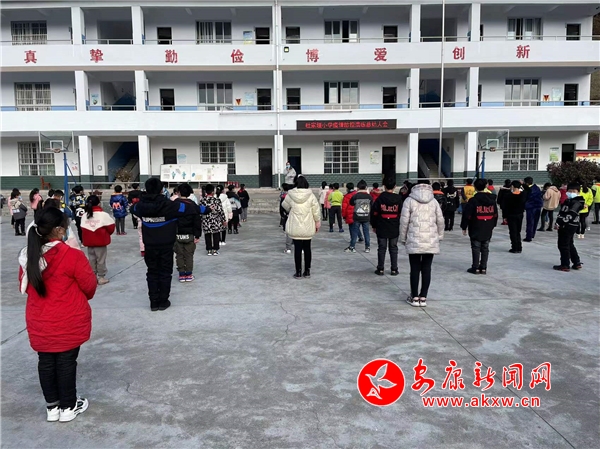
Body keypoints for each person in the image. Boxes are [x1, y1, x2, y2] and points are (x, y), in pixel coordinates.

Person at [19, 207, 97, 423]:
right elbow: (89, 287)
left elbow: (24, 286)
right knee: (66, 362)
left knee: (45, 361)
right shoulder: (72, 255)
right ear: (60, 230)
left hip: (39, 319)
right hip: (68, 319)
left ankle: (52, 407)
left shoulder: (28, 256)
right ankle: (68, 406)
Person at [133, 178, 206, 311]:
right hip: (166, 245)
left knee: (152, 272)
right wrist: (205, 209)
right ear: (162, 190)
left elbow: (133, 208)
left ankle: (153, 302)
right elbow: (191, 209)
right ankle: (163, 301)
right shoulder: (171, 206)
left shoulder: (140, 207)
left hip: (149, 245)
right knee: (165, 272)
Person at [400, 181, 444, 308]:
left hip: (414, 239)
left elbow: (404, 221)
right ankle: (423, 297)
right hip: (430, 239)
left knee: (414, 269)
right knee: (426, 268)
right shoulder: (433, 201)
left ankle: (414, 297)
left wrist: (403, 238)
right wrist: (440, 236)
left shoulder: (409, 201)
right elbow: (440, 220)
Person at [282, 176, 321, 279]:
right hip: (308, 226)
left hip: (295, 226)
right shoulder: (311, 195)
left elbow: (285, 205)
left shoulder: (290, 195)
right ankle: (307, 271)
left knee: (297, 249)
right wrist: (317, 222)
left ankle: (298, 272)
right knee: (307, 248)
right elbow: (316, 211)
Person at [461, 179, 498, 275]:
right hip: (488, 225)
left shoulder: (473, 200)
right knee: (485, 247)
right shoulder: (492, 200)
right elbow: (495, 214)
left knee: (476, 247)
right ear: (486, 186)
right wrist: (493, 225)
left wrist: (464, 226)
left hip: (475, 225)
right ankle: (483, 267)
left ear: (475, 187)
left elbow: (467, 214)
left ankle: (475, 267)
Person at [80, 195, 115, 286]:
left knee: (91, 259)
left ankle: (93, 276)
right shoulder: (103, 215)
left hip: (89, 242)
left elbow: (82, 228)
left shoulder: (85, 215)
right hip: (100, 241)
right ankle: (101, 277)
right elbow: (111, 228)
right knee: (101, 259)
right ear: (99, 203)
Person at [371, 177, 402, 276]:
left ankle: (380, 269)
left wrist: (374, 225)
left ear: (384, 186)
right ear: (395, 186)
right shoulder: (398, 198)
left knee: (382, 248)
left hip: (381, 225)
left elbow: (374, 213)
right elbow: (401, 213)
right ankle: (394, 269)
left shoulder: (380, 198)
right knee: (393, 248)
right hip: (394, 226)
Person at [173, 183, 201, 283]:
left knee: (179, 255)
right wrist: (197, 235)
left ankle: (181, 274)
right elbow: (197, 221)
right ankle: (188, 274)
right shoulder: (193, 205)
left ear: (178, 192)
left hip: (177, 234)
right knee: (189, 255)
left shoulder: (174, 204)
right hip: (190, 234)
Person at [553, 183, 584, 272]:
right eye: (570, 191)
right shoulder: (569, 200)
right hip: (567, 225)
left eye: (574, 191)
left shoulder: (576, 202)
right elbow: (562, 212)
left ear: (578, 192)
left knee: (563, 245)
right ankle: (576, 262)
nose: (571, 193)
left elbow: (570, 215)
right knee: (569, 243)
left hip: (568, 226)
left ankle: (565, 264)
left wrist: (560, 223)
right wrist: (558, 221)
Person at [198, 184, 226, 257]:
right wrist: (224, 220)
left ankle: (209, 250)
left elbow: (200, 211)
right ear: (213, 191)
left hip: (206, 220)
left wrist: (200, 220)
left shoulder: (202, 200)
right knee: (216, 235)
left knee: (207, 235)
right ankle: (215, 250)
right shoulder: (217, 200)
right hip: (215, 220)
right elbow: (221, 211)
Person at [349, 180, 372, 253]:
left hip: (357, 216)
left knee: (355, 232)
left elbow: (351, 203)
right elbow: (372, 204)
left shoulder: (355, 196)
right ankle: (367, 247)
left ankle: (352, 246)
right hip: (366, 216)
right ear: (366, 187)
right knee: (366, 232)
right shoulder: (369, 196)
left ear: (358, 188)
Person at [504, 180, 526, 253]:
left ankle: (514, 247)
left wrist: (505, 216)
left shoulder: (508, 196)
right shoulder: (523, 195)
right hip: (520, 214)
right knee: (518, 231)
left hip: (511, 215)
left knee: (513, 231)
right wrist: (523, 184)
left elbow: (505, 207)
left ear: (512, 186)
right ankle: (519, 247)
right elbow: (529, 190)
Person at [523, 177, 543, 242]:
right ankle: (532, 234)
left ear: (526, 183)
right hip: (538, 206)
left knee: (530, 222)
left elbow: (527, 196)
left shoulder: (529, 190)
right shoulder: (537, 188)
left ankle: (529, 236)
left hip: (531, 207)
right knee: (535, 221)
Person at [342, 182, 357, 252]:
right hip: (358, 214)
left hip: (350, 215)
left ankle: (352, 246)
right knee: (356, 229)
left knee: (352, 230)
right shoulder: (357, 194)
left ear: (347, 188)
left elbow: (344, 207)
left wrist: (344, 216)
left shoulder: (346, 196)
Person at [280, 183, 293, 254]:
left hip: (289, 215)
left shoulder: (286, 196)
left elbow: (283, 205)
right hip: (299, 216)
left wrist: (284, 213)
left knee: (289, 231)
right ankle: (302, 248)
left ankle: (288, 248)